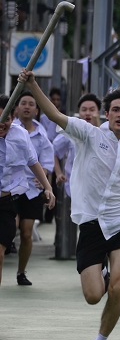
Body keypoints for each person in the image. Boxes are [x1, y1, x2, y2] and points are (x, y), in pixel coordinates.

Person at [18, 69, 120, 340]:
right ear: (107, 113)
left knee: (117, 286)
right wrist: (34, 85)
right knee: (93, 296)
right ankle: (101, 273)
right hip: (91, 224)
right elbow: (54, 115)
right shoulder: (88, 134)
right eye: (115, 109)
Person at [0, 94, 56, 287]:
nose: (2, 124)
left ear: (12, 117)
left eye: (6, 119)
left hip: (21, 193)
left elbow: (35, 162)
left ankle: (21, 271)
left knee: (23, 234)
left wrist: (48, 187)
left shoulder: (23, 135)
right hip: (13, 194)